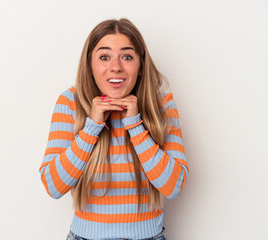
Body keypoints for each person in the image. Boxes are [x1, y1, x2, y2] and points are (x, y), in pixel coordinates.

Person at [39, 18, 189, 240]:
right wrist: (92, 127)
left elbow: (173, 186)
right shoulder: (70, 102)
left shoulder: (162, 105)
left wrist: (135, 125)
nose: (116, 66)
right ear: (90, 65)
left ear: (140, 66)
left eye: (127, 56)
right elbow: (54, 186)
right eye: (104, 57)